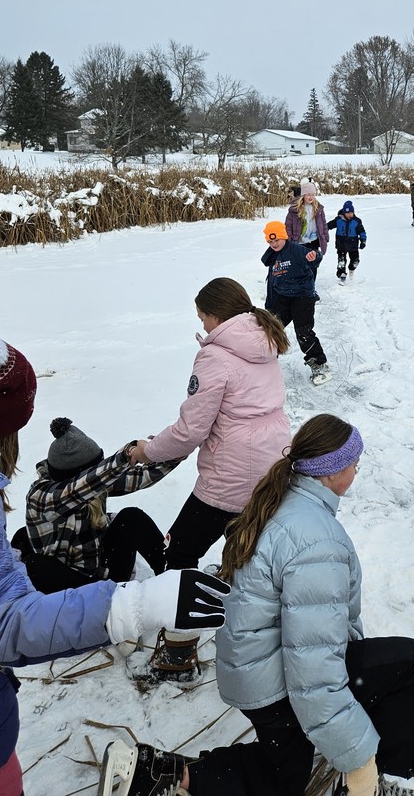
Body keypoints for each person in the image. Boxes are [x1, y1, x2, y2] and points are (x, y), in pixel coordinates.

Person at [0, 327, 229, 796]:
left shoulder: (83, 485)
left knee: (128, 515)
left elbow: (138, 477)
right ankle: (141, 598)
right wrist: (137, 605)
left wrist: (178, 445)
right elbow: (3, 623)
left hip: (96, 567)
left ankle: (175, 568)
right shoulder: (46, 495)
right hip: (70, 580)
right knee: (29, 558)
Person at [99, 414, 414, 796]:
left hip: (252, 672)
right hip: (277, 683)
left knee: (281, 778)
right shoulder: (317, 541)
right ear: (329, 472)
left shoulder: (284, 499)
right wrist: (359, 762)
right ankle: (377, 781)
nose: (357, 469)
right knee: (409, 662)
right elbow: (313, 667)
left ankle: (156, 772)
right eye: (353, 462)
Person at [129, 277, 291, 679]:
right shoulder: (263, 339)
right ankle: (257, 637)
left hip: (230, 477)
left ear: (217, 314)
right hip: (271, 470)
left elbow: (190, 431)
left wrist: (147, 451)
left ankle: (178, 653)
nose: (201, 326)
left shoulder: (217, 356)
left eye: (202, 317)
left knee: (181, 554)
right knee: (246, 550)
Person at [10, 416, 181, 594]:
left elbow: (135, 478)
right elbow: (82, 486)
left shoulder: (94, 485)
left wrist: (171, 453)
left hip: (104, 575)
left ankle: (174, 577)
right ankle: (97, 612)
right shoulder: (43, 496)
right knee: (36, 566)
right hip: (70, 590)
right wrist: (128, 454)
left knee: (131, 518)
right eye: (94, 470)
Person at [262, 221, 330, 385]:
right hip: (282, 297)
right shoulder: (272, 255)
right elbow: (272, 280)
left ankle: (319, 364)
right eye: (270, 242)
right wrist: (270, 307)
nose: (274, 244)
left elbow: (314, 256)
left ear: (284, 236)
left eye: (277, 240)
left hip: (303, 297)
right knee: (271, 329)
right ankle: (267, 363)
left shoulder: (296, 249)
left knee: (303, 332)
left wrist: (315, 256)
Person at [285, 178, 329, 277]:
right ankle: (301, 288)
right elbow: (288, 226)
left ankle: (311, 288)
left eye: (313, 194)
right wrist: (289, 240)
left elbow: (323, 224)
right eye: (308, 194)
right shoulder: (294, 210)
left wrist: (325, 237)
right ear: (303, 195)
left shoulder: (319, 208)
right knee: (301, 266)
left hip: (314, 241)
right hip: (300, 242)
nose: (311, 197)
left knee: (313, 266)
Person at [326, 200, 367, 282]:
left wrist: (363, 241)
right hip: (341, 245)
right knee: (341, 262)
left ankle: (351, 268)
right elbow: (327, 226)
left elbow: (362, 232)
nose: (350, 214)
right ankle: (342, 276)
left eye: (351, 212)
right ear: (344, 212)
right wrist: (322, 232)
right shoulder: (338, 220)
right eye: (348, 213)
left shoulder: (356, 221)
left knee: (355, 261)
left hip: (353, 245)